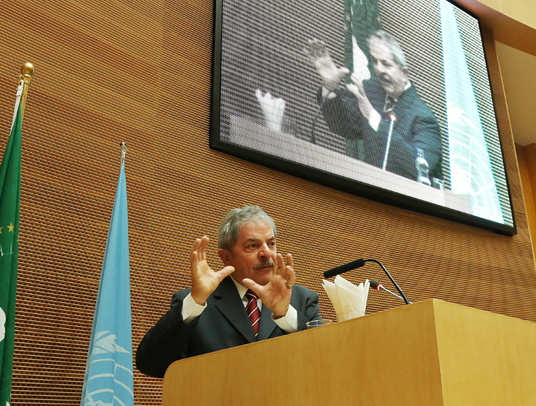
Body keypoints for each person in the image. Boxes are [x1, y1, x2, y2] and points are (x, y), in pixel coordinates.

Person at [135, 206, 322, 378]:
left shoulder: (303, 299)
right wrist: (195, 302)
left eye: (271, 243)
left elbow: (327, 360)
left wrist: (284, 314)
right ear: (226, 257)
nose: (267, 253)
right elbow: (151, 364)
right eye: (253, 246)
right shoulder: (195, 303)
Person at [306, 30, 443, 182]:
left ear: (404, 73)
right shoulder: (372, 92)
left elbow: (419, 167)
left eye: (386, 63)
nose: (379, 69)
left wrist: (373, 117)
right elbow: (343, 126)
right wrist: (330, 88)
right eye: (375, 62)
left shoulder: (424, 117)